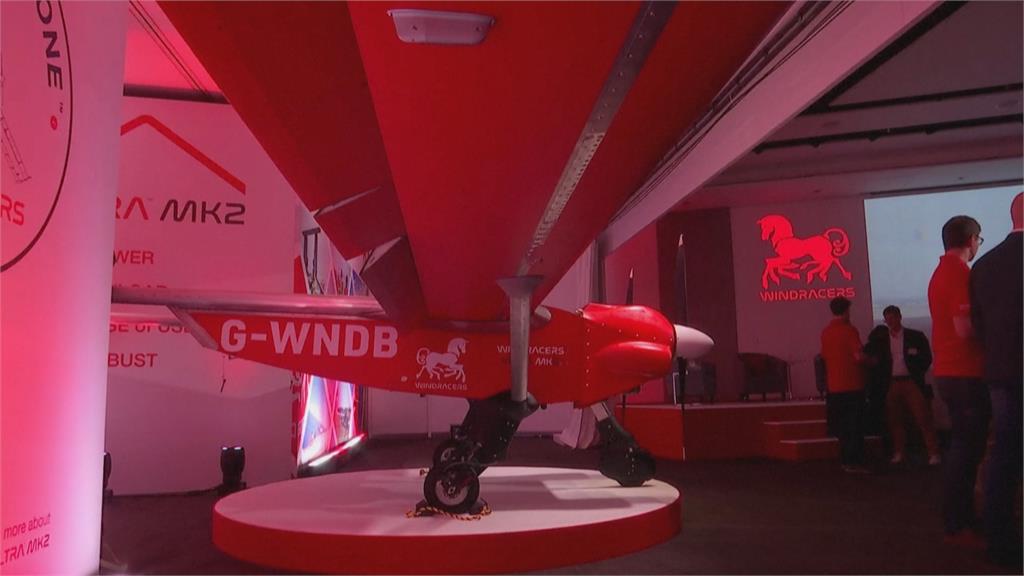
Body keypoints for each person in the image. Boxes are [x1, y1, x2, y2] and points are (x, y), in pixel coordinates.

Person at [927, 215, 989, 546]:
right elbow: (964, 329)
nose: (978, 245)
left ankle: (959, 520)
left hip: (950, 372)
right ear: (970, 240)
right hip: (965, 373)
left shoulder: (940, 273)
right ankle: (958, 523)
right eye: (979, 240)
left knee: (962, 448)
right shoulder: (959, 274)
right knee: (966, 451)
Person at [970, 192, 1023, 567]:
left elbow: (979, 327)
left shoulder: (984, 265)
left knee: (1004, 455)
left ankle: (1000, 541)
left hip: (1001, 372)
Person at [864, 305, 939, 465]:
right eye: (887, 320)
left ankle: (933, 452)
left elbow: (927, 357)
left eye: (892, 318)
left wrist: (917, 372)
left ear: (899, 317)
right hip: (892, 382)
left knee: (923, 417)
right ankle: (899, 452)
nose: (890, 322)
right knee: (895, 420)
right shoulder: (882, 340)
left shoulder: (915, 336)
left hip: (911, 381)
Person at [821, 296, 868, 473]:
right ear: (846, 311)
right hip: (852, 385)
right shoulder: (849, 331)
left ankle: (846, 460)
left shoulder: (826, 332)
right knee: (855, 426)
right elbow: (858, 357)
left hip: (834, 386)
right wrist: (871, 360)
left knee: (843, 428)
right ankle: (855, 461)